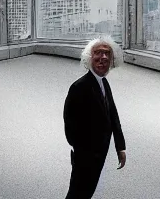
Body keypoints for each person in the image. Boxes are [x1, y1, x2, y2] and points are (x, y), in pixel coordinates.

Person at [63, 35, 126, 199]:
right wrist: (85, 154)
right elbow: (70, 127)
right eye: (98, 53)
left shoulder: (103, 82)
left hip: (98, 155)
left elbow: (113, 116)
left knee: (86, 192)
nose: (103, 58)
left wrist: (120, 147)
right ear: (89, 58)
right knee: (77, 193)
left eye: (107, 54)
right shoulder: (79, 87)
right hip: (86, 158)